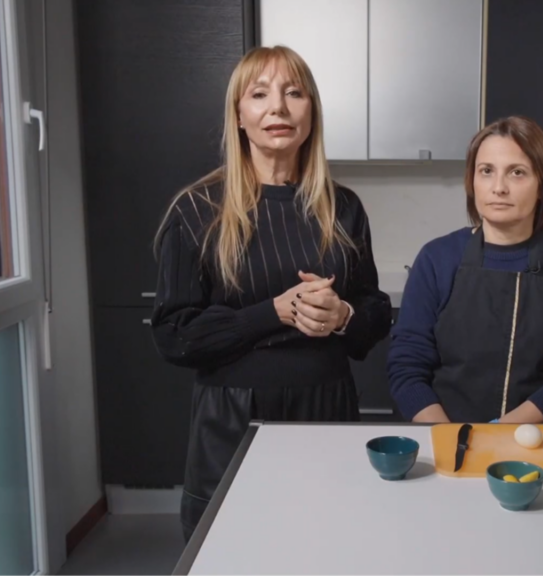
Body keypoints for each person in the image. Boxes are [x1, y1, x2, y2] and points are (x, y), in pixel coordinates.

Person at [151, 46, 391, 540]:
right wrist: (273, 313)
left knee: (324, 545)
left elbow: (375, 312)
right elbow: (174, 335)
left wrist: (343, 315)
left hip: (326, 410)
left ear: (311, 112)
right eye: (259, 94)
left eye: (293, 93)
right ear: (239, 115)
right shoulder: (196, 210)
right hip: (232, 419)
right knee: (231, 551)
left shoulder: (343, 208)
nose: (278, 107)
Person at [387, 116, 543, 424]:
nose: (499, 188)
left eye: (517, 172)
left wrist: (501, 433)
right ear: (472, 182)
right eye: (486, 171)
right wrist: (448, 437)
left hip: (534, 436)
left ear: (542, 186)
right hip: (441, 432)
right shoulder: (437, 258)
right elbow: (406, 367)